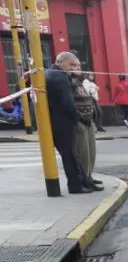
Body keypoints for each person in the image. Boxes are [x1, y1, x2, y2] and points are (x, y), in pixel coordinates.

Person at [44, 52, 89, 194]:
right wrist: (77, 117)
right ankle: (75, 185)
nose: (74, 68)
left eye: (75, 65)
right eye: (71, 65)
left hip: (54, 119)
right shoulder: (60, 77)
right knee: (69, 154)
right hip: (62, 121)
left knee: (70, 154)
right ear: (61, 61)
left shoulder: (50, 72)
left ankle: (84, 181)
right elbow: (67, 102)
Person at [71, 67, 102, 191]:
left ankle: (89, 175)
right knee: (83, 151)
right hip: (80, 119)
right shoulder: (68, 82)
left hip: (88, 118)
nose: (78, 68)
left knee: (91, 150)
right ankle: (85, 178)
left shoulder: (79, 81)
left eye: (78, 66)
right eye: (73, 65)